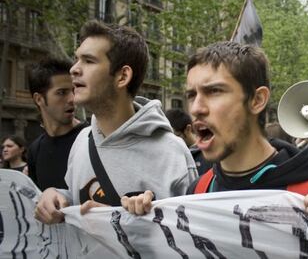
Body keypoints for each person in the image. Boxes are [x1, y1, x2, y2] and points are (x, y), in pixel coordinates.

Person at [123, 41, 308, 220]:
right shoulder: (199, 190)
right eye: (192, 95)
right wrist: (136, 219)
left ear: (257, 100)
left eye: (214, 91)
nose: (196, 108)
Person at [34, 20, 197, 228]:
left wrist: (134, 223)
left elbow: (191, 238)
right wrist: (55, 195)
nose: (74, 69)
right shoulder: (82, 141)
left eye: (89, 61)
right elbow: (76, 199)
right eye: (76, 59)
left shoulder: (172, 154)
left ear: (122, 76)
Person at [27, 58, 88, 191]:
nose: (72, 99)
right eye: (62, 92)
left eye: (74, 90)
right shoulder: (34, 151)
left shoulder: (91, 138)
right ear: (39, 99)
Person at [165, 108, 213, 175]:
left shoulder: (209, 156)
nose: (172, 142)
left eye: (176, 136)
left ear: (188, 129)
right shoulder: (169, 156)